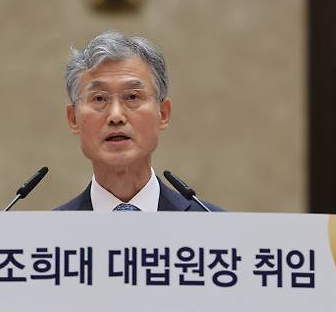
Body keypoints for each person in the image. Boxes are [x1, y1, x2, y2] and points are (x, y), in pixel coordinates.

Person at [55, 31, 222, 212]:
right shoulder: (49, 229)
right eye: (99, 98)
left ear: (163, 113)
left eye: (132, 96)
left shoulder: (212, 224)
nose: (116, 116)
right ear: (73, 118)